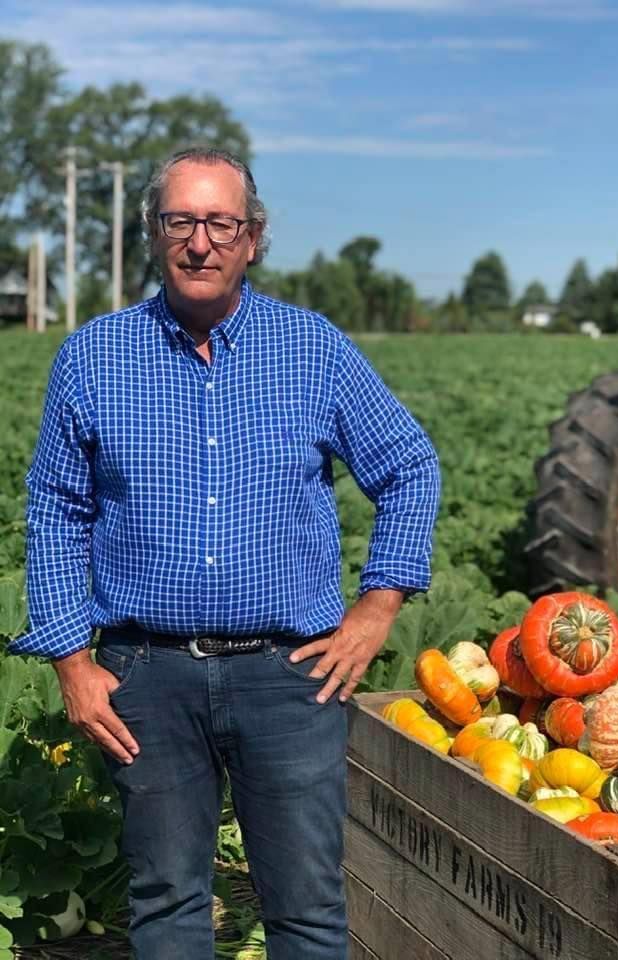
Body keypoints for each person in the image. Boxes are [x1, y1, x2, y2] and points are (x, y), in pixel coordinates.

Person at [9, 146, 441, 959]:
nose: (199, 242)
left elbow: (409, 466)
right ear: (153, 233)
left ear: (253, 238)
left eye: (220, 222)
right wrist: (71, 659)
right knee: (167, 903)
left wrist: (379, 606)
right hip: (147, 678)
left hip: (291, 676)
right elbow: (55, 511)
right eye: (181, 220)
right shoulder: (95, 357)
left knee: (308, 907)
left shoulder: (313, 350)